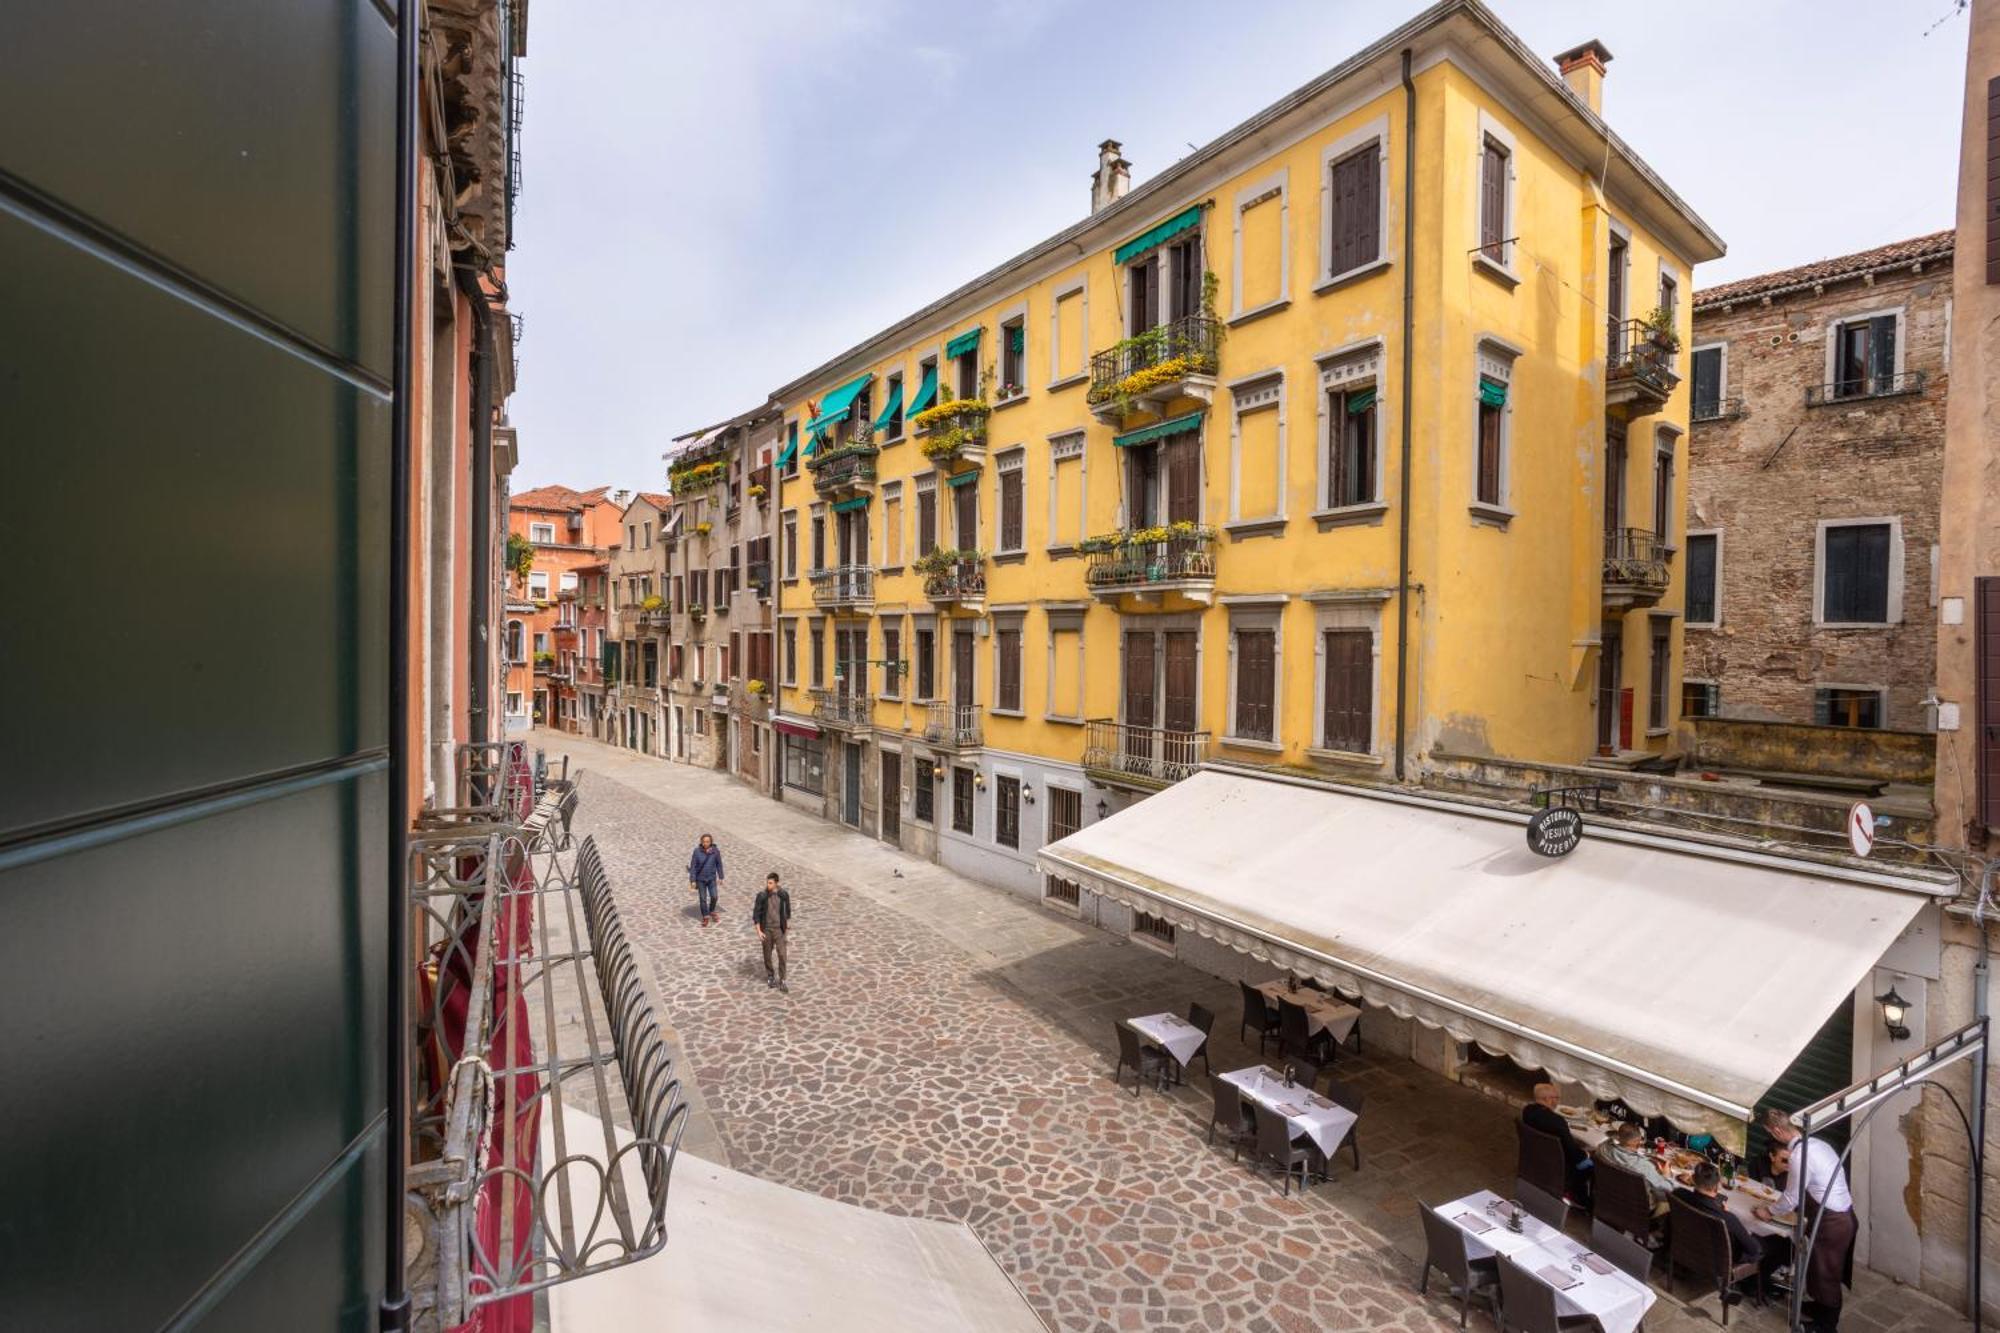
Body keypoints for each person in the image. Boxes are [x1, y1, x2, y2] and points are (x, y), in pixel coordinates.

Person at [1755, 1110, 1854, 1331]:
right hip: (1839, 1215)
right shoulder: (1819, 1144)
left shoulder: (1800, 1156)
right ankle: (1820, 1308)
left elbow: (1792, 1197)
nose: (1772, 1137)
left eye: (1770, 1133)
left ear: (1778, 1131)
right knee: (1817, 1269)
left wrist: (1768, 1211)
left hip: (1832, 1221)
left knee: (1826, 1272)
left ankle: (1826, 1326)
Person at [1674, 1161, 1762, 1303]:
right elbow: (1753, 1249)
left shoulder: (1678, 1194)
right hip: (1718, 1261)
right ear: (1717, 1185)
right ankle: (1748, 1287)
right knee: (1759, 1248)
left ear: (1693, 1180)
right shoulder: (1727, 1218)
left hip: (1687, 1245)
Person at [1522, 1083, 1593, 1207]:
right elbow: (1572, 1151)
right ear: (1547, 1099)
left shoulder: (1527, 1111)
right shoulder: (1557, 1121)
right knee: (1590, 1164)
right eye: (1556, 1098)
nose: (1557, 1101)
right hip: (1558, 1161)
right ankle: (1578, 1197)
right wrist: (1586, 1154)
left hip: (1536, 1153)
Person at [1593, 1121, 1674, 1217]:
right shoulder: (1643, 1166)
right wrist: (1666, 1176)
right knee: (1671, 1202)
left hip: (1610, 1197)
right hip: (1637, 1210)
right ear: (1636, 1142)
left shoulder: (1603, 1148)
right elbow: (1667, 1191)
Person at [752, 872, 792, 990]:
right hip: (767, 930)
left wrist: (787, 924)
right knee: (767, 955)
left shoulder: (783, 895)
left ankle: (783, 979)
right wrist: (759, 932)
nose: (768, 885)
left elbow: (788, 911)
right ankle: (770, 976)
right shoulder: (762, 896)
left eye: (770, 883)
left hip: (779, 930)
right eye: (767, 882)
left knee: (782, 955)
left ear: (776, 883)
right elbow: (756, 915)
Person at [687, 833, 724, 927]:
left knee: (714, 896)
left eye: (707, 841)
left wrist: (721, 877)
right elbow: (693, 867)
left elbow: (719, 864)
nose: (705, 843)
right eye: (704, 841)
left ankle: (711, 910)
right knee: (703, 899)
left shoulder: (715, 851)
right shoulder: (697, 851)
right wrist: (693, 880)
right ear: (701, 842)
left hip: (711, 878)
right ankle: (706, 916)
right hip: (700, 880)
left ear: (711, 842)